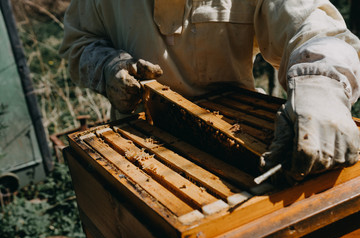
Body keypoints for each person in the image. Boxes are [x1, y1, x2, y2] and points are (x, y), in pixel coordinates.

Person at [59, 0, 360, 182]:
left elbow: (313, 27)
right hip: (136, 147)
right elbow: (78, 43)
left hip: (235, 144)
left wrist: (322, 83)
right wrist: (105, 68)